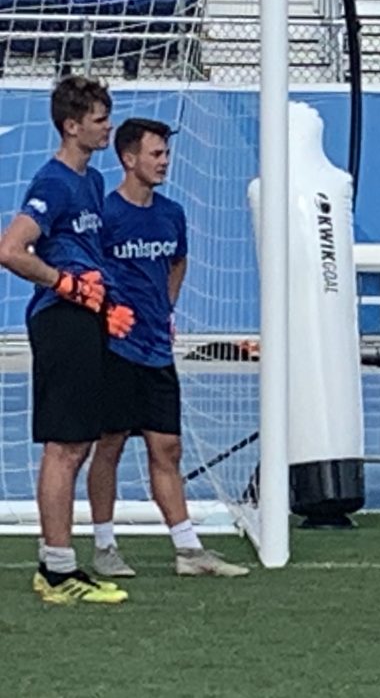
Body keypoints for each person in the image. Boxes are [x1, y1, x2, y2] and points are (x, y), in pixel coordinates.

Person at [86, 118, 249, 578]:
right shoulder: (106, 215)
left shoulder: (172, 213)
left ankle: (188, 549)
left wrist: (166, 307)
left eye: (166, 154)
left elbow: (178, 260)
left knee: (168, 447)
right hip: (116, 350)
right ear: (128, 158)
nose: (164, 162)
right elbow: (89, 271)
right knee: (110, 445)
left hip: (158, 349)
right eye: (155, 154)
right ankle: (104, 545)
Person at [0, 75, 134, 604]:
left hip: (87, 318)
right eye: (99, 119)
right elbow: (11, 250)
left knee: (79, 442)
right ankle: (56, 571)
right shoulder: (52, 182)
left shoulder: (93, 182)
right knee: (64, 446)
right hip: (61, 320)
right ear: (71, 126)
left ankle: (60, 562)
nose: (108, 128)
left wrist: (107, 303)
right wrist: (67, 285)